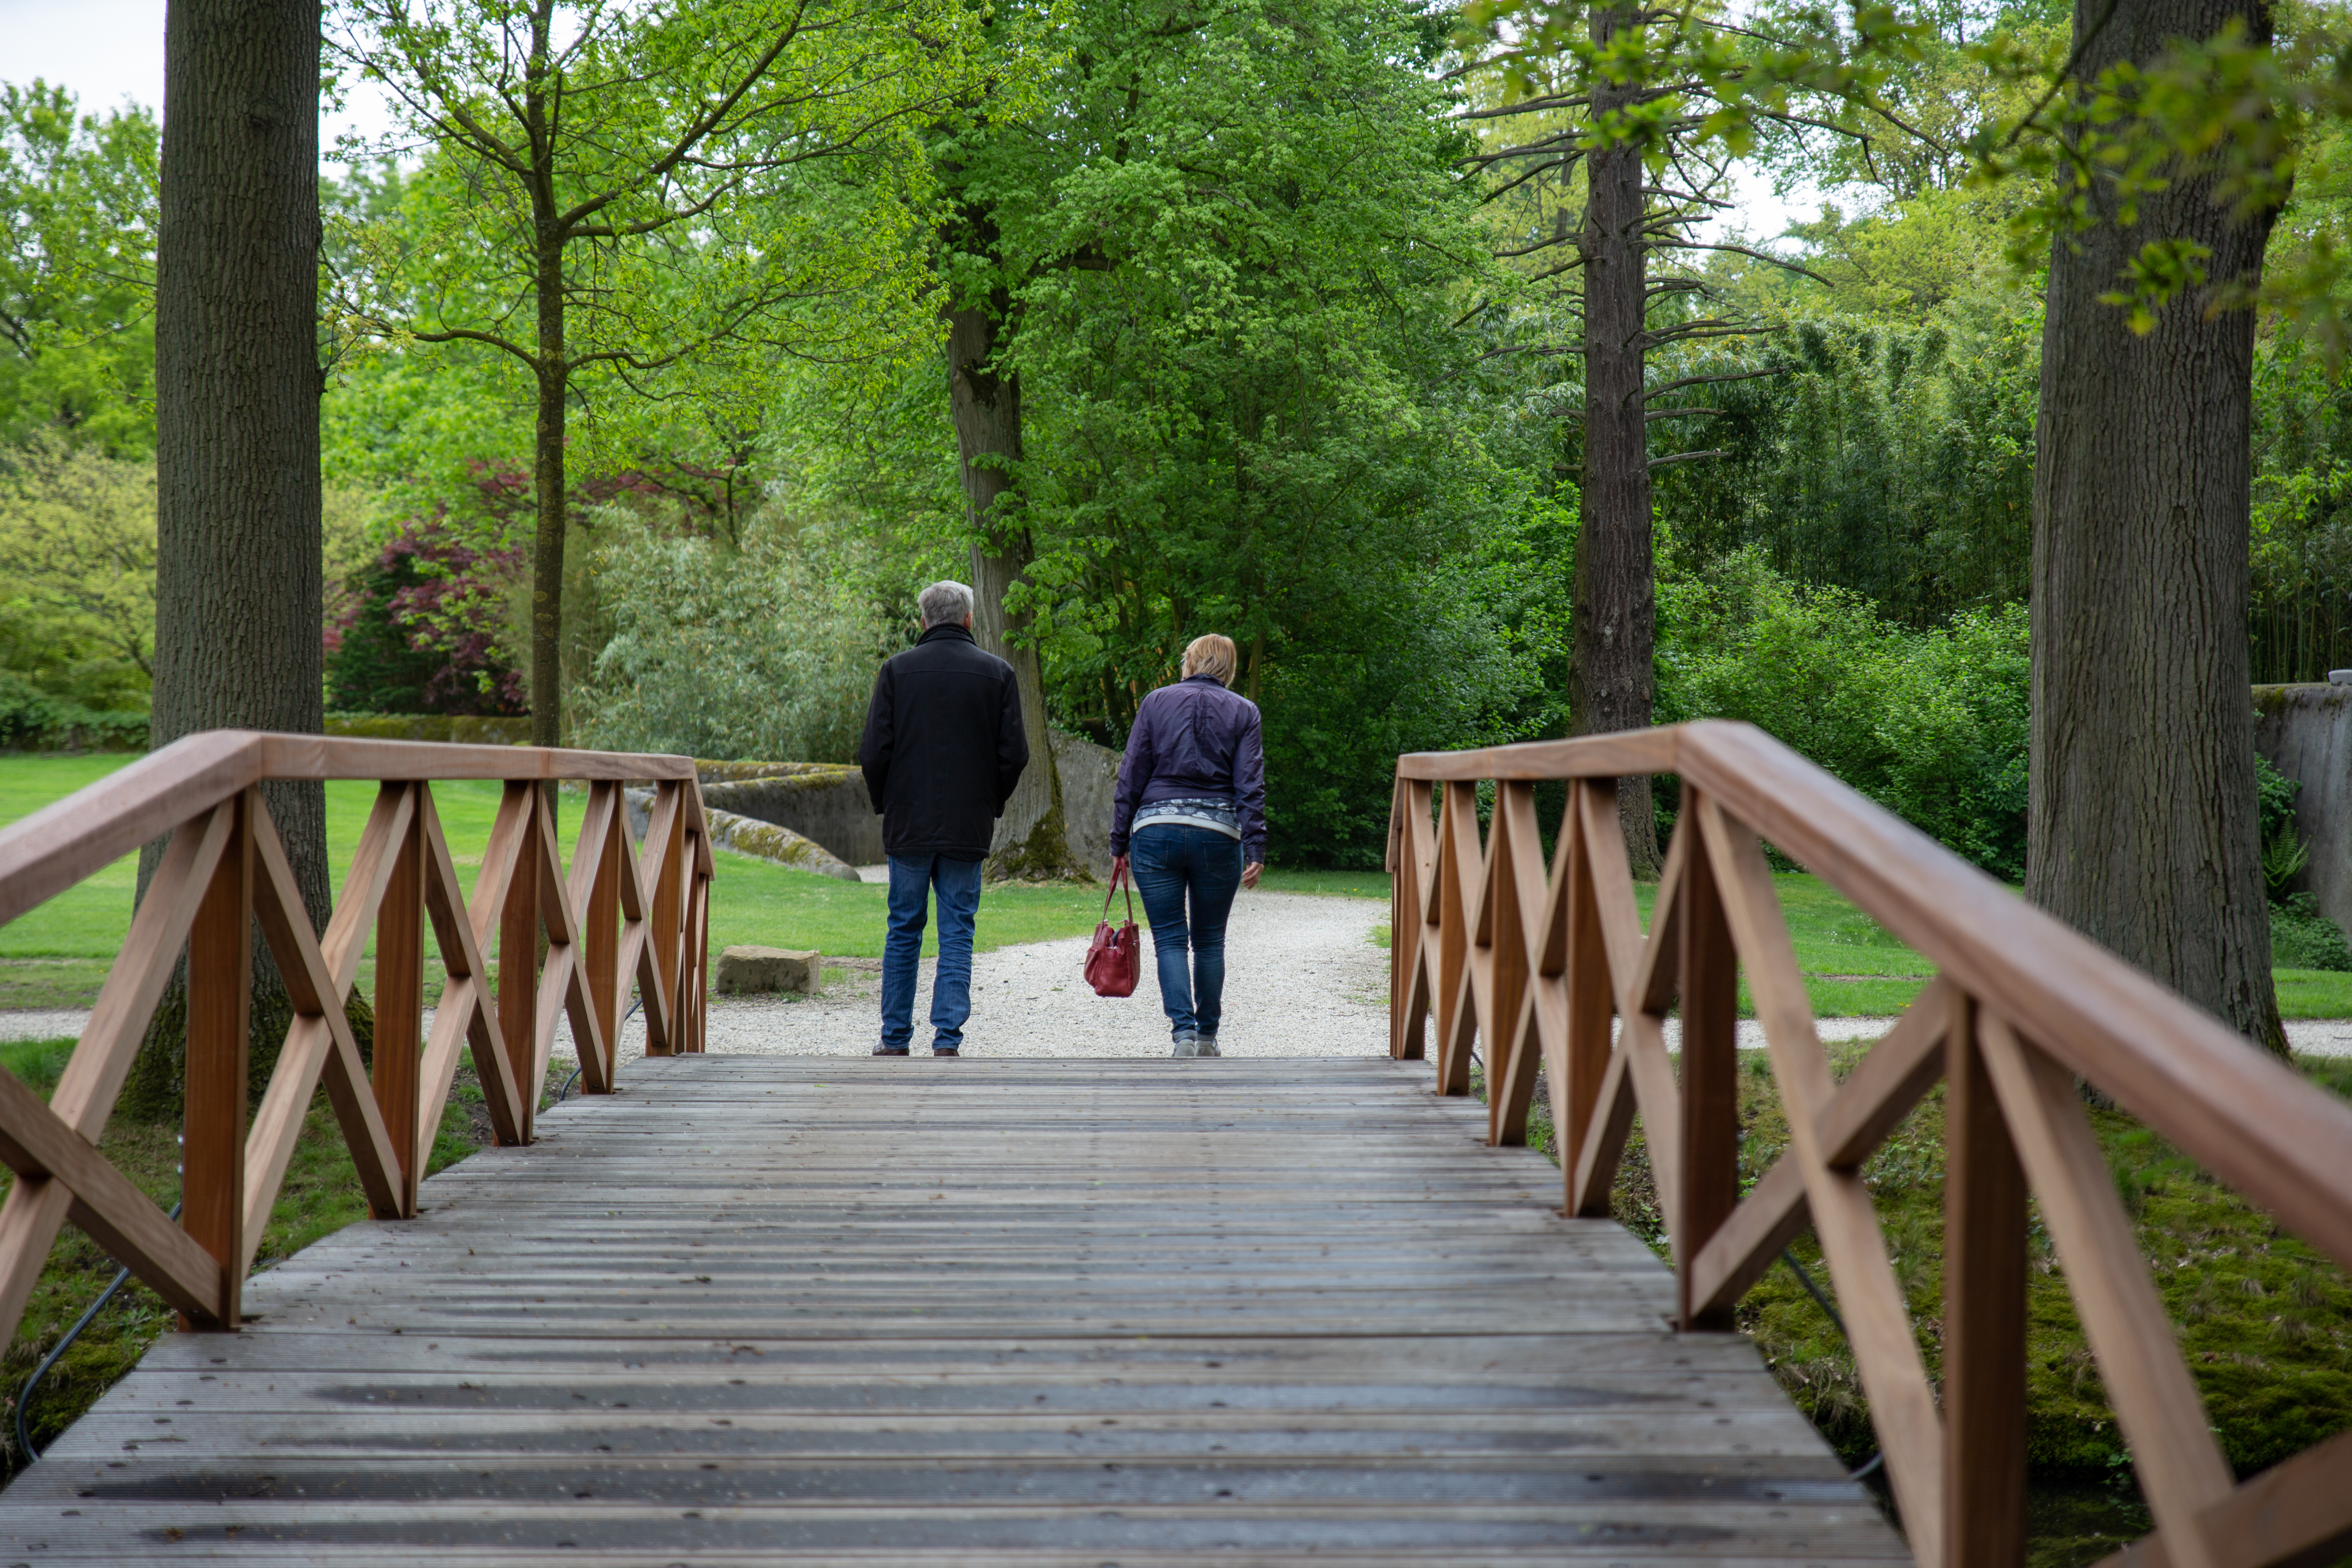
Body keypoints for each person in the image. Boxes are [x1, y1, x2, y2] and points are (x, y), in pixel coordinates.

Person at [857, 580, 1028, 1057]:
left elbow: (873, 753)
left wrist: (886, 803)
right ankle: (947, 1038)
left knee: (903, 928)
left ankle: (894, 1038)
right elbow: (1014, 755)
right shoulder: (998, 674)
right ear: (969, 619)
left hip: (909, 822)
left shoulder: (896, 672)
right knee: (957, 929)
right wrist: (990, 802)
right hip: (967, 824)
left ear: (925, 621)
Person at [1110, 634, 1265, 1057]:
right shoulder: (1244, 711)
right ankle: (1209, 1038)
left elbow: (1132, 774)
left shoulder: (1156, 703)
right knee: (1211, 941)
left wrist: (1119, 839)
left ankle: (1183, 1035)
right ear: (1227, 668)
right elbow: (1249, 785)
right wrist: (1255, 847)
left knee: (1171, 940)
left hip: (1156, 831)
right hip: (1218, 834)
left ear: (1192, 661)